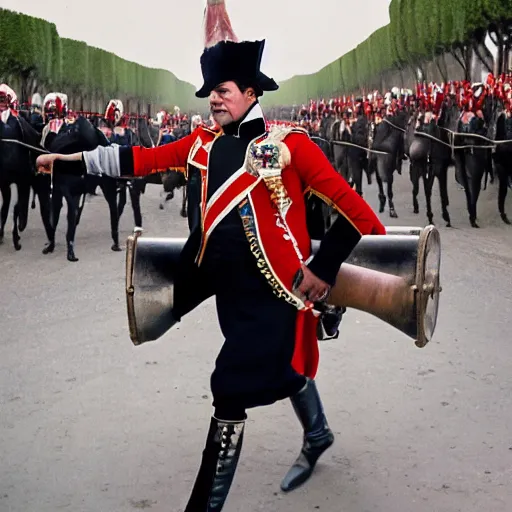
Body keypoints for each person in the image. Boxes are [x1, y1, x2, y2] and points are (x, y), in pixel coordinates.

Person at [37, 9, 386, 512]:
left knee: (228, 387)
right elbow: (138, 160)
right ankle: (318, 434)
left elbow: (356, 213)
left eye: (221, 89)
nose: (213, 99)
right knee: (281, 373)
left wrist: (322, 270)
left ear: (250, 93)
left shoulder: (288, 145)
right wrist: (68, 159)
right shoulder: (200, 143)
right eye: (209, 92)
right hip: (228, 291)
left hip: (276, 295)